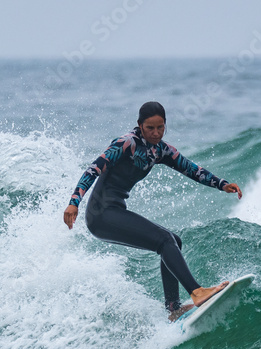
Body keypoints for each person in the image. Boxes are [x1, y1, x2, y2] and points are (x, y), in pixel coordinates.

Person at [63, 101, 243, 321]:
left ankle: (174, 310)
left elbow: (191, 168)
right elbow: (93, 168)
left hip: (115, 211)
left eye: (161, 127)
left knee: (173, 241)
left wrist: (221, 184)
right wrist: (74, 202)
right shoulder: (125, 143)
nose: (156, 133)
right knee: (164, 240)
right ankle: (197, 292)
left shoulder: (161, 150)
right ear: (140, 125)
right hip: (101, 215)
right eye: (150, 128)